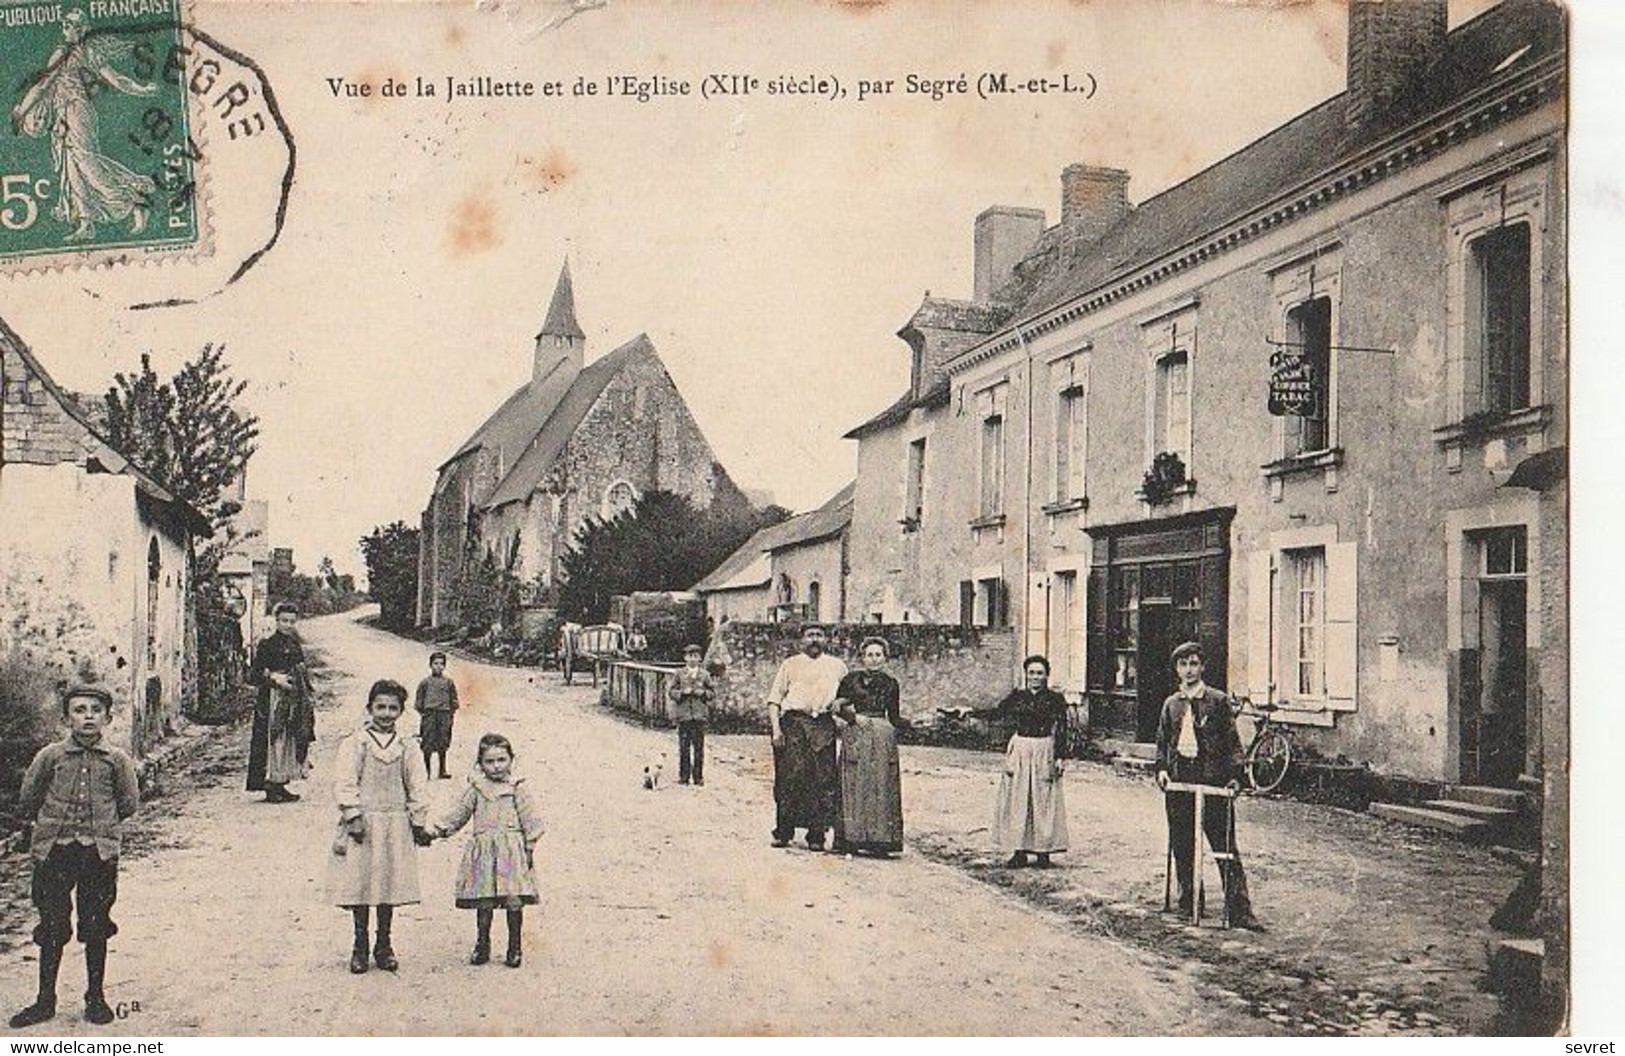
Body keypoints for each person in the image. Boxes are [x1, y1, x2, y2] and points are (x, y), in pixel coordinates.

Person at [9, 686, 139, 1027]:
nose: (88, 716)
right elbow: (29, 798)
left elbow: (128, 803)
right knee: (52, 925)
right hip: (55, 852)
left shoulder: (117, 760)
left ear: (108, 718)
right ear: (67, 718)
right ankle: (44, 1000)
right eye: (79, 710)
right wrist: (49, 831)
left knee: (95, 925)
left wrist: (101, 831)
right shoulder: (50, 757)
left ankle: (95, 998)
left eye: (96, 710)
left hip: (98, 854)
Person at [9, 10, 159, 242]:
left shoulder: (78, 53)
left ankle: (133, 202)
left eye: (75, 25)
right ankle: (85, 223)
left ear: (84, 29)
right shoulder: (68, 52)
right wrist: (24, 112)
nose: (69, 28)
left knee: (87, 162)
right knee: (72, 168)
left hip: (77, 111)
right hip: (63, 114)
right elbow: (43, 86)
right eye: (67, 24)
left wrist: (21, 112)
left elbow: (115, 80)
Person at [1154, 641, 1264, 932]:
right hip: (1180, 783)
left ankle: (1240, 910)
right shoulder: (1171, 705)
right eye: (1182, 664)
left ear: (1202, 667)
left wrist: (1235, 776)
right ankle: (1189, 902)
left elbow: (1232, 742)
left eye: (1193, 664)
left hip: (1213, 780)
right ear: (1176, 669)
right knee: (1183, 844)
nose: (1188, 670)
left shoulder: (1217, 701)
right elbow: (1163, 744)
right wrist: (1163, 771)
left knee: (1224, 846)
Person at [326, 680, 434, 974]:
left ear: (401, 711)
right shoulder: (356, 743)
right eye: (380, 707)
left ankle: (383, 944)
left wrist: (418, 820)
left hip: (394, 823)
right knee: (362, 885)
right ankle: (359, 945)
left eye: (392, 708)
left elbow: (417, 783)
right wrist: (353, 815)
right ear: (370, 708)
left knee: (388, 885)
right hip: (365, 822)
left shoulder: (407, 745)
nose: (386, 714)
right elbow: (345, 780)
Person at [431, 734, 544, 968]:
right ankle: (482, 944)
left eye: (502, 760)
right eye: (489, 762)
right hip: (484, 852)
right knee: (484, 899)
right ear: (480, 764)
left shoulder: (517, 789)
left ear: (511, 760)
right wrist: (439, 830)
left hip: (510, 853)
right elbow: (459, 814)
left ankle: (515, 947)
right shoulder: (476, 789)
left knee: (513, 898)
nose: (496, 766)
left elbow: (531, 818)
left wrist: (529, 846)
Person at [973, 656, 1070, 868]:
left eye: (1039, 673)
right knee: (1018, 800)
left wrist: (1060, 757)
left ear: (1046, 676)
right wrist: (970, 712)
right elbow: (997, 713)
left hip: (1044, 749)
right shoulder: (1017, 697)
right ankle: (1019, 851)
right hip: (1020, 749)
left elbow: (1062, 728)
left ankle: (1043, 852)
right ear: (1026, 674)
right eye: (1032, 672)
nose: (1035, 677)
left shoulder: (1055, 699)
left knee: (1043, 801)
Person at [765, 624, 847, 850]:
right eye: (810, 635)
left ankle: (816, 835)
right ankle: (783, 831)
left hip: (823, 724)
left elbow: (847, 699)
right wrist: (776, 730)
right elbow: (774, 700)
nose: (814, 640)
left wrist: (841, 717)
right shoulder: (790, 664)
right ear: (802, 640)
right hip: (794, 724)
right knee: (790, 778)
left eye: (819, 635)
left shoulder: (837, 666)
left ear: (826, 640)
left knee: (822, 780)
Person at [833, 637, 907, 857]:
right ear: (862, 657)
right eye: (869, 655)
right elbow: (837, 706)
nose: (874, 659)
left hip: (882, 736)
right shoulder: (850, 679)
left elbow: (893, 715)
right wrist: (854, 717)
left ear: (885, 658)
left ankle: (880, 841)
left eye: (878, 655)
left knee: (881, 785)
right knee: (854, 783)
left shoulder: (891, 683)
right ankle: (851, 839)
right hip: (857, 732)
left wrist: (903, 727)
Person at [247, 603, 314, 803]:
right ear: (276, 620)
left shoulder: (295, 645)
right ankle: (270, 785)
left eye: (292, 621)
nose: (288, 624)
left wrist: (300, 684)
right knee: (273, 740)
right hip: (272, 700)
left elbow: (302, 669)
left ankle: (281, 783)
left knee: (289, 740)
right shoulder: (267, 644)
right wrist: (275, 679)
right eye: (284, 620)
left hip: (292, 699)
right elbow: (255, 674)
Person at [667, 644, 715, 786]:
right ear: (685, 658)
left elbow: (712, 693)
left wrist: (703, 693)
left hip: (699, 716)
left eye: (695, 656)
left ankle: (698, 777)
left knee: (699, 748)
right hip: (684, 716)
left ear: (700, 658)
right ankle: (684, 776)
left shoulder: (705, 675)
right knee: (684, 748)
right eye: (690, 656)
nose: (692, 659)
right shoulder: (679, 674)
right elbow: (671, 692)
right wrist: (682, 693)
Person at [414, 651, 460, 780]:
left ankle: (442, 770)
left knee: (443, 741)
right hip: (429, 715)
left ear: (445, 666)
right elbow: (418, 701)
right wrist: (424, 713)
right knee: (427, 741)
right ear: (430, 665)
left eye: (441, 664)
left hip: (444, 715)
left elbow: (454, 699)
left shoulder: (448, 682)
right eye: (436, 664)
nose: (438, 667)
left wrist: (451, 712)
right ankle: (427, 771)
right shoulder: (425, 682)